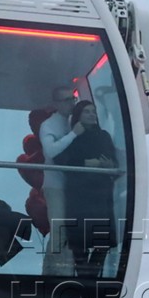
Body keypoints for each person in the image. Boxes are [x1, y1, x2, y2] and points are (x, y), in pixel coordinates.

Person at [49, 99, 117, 277]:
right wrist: (87, 163)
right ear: (78, 116)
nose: (92, 114)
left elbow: (115, 163)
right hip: (79, 196)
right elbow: (59, 159)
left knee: (103, 242)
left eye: (93, 111)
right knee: (80, 243)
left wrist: (109, 165)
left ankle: (90, 278)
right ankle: (85, 280)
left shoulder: (104, 136)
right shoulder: (72, 136)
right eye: (87, 111)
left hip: (101, 195)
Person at [37, 85, 78, 275]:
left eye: (73, 98)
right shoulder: (48, 125)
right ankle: (54, 272)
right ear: (56, 104)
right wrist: (74, 134)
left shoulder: (74, 122)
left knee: (67, 230)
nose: (71, 103)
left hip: (72, 186)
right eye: (67, 100)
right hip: (54, 186)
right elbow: (50, 151)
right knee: (59, 228)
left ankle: (59, 271)